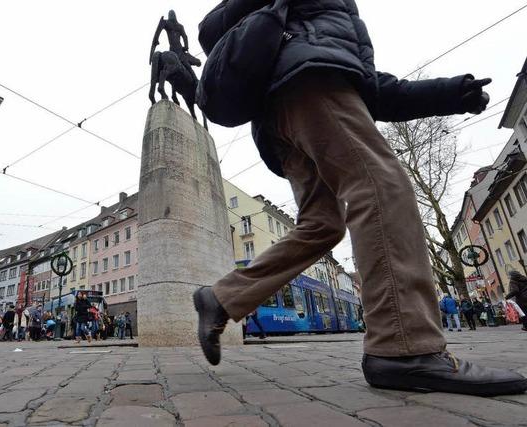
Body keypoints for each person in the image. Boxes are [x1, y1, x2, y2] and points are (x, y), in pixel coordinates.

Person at [193, 0, 527, 396]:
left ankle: (222, 296)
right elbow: (210, 28)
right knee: (382, 186)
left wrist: (449, 93)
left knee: (322, 225)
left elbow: (369, 86)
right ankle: (403, 349)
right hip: (309, 88)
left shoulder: (339, 15)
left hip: (290, 109)